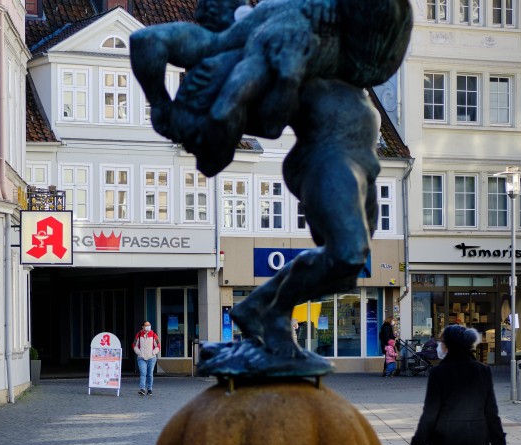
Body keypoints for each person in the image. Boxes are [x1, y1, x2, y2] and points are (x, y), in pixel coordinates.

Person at [131, 0, 413, 377]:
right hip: (328, 156)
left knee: (347, 267)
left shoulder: (298, 26)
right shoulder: (265, 39)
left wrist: (160, 104)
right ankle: (268, 315)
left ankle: (259, 311)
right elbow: (258, 121)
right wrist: (286, 78)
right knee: (347, 253)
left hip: (361, 156)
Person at [133, 321, 161, 396]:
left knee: (150, 374)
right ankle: (142, 389)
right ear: (143, 327)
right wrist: (139, 352)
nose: (148, 326)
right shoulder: (139, 335)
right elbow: (134, 345)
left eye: (149, 325)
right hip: (141, 357)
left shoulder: (154, 335)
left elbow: (158, 346)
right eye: (146, 325)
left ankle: (149, 389)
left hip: (151, 358)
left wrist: (153, 353)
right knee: (143, 373)